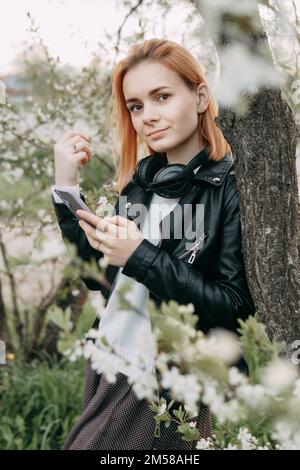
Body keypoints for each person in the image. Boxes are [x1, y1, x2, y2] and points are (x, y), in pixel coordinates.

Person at [51, 38, 256, 450]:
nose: (147, 116)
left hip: (172, 379)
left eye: (162, 97)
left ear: (200, 97)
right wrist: (66, 189)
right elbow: (102, 278)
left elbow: (232, 306)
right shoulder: (140, 186)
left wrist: (141, 256)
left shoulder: (229, 190)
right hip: (110, 363)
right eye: (136, 106)